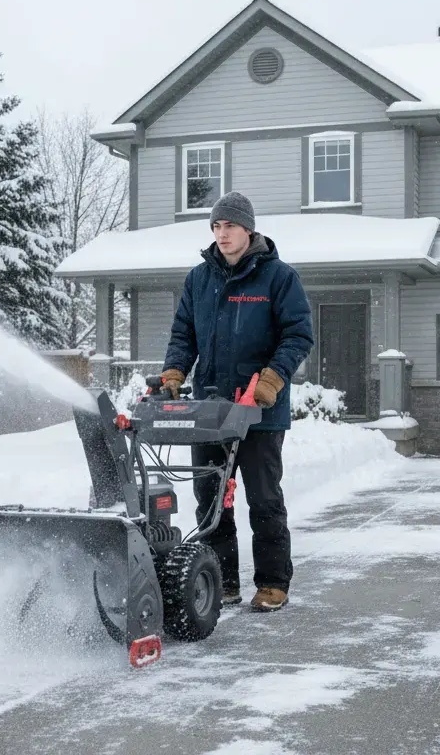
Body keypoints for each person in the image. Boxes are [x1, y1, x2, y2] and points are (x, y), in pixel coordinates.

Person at [160, 191, 314, 613]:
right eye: (216, 226)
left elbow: (298, 334)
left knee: (263, 499)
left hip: (259, 412)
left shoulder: (278, 277)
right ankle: (221, 581)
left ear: (248, 229)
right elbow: (183, 335)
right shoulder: (198, 278)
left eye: (229, 226)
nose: (222, 233)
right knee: (210, 500)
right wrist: (175, 372)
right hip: (209, 410)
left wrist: (274, 376)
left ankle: (272, 583)